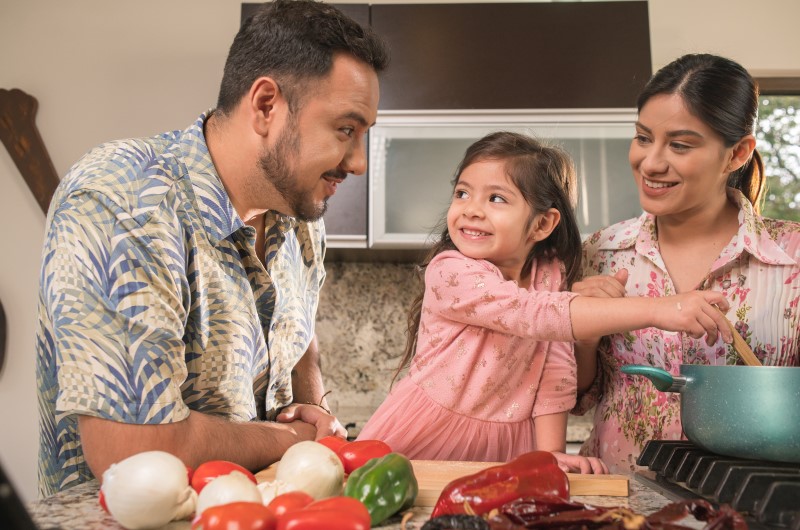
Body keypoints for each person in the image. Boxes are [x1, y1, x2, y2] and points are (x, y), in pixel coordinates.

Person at [35, 0, 389, 496]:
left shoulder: (299, 209)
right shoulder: (125, 202)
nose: (358, 163)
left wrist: (320, 419)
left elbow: (300, 334)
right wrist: (293, 438)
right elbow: (132, 449)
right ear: (266, 105)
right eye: (346, 130)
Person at [356, 131, 733, 473]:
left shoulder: (549, 275)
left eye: (497, 198)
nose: (471, 208)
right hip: (428, 437)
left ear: (541, 225)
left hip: (511, 446)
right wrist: (661, 308)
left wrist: (550, 452)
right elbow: (533, 315)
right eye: (462, 193)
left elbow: (554, 370)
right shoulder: (451, 270)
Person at [572, 53, 800, 473]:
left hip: (751, 499)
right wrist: (583, 334)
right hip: (620, 497)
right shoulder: (598, 253)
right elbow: (576, 399)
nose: (651, 162)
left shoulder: (793, 258)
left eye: (679, 145)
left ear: (737, 154)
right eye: (643, 138)